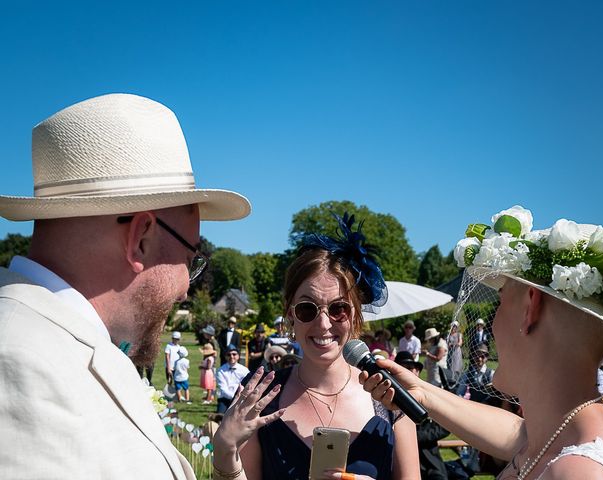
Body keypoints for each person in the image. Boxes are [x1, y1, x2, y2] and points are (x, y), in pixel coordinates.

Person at [0, 93, 251, 479]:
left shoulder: (65, 342)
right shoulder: (20, 364)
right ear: (142, 238)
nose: (186, 287)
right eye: (190, 258)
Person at [360, 206, 603, 480]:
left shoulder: (577, 472)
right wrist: (420, 391)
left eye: (501, 299)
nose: (493, 324)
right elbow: (515, 432)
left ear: (531, 306)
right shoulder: (564, 432)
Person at [212, 213, 419, 479]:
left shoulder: (390, 397)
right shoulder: (259, 396)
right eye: (308, 309)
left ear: (356, 315)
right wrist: (225, 451)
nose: (323, 324)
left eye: (338, 309)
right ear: (290, 316)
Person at [395, 351, 449, 480]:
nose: (406, 373)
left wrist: (415, 437)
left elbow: (444, 427)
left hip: (429, 463)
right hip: (397, 466)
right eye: (401, 368)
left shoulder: (428, 397)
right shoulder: (384, 398)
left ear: (417, 372)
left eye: (409, 368)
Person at [216, 344, 250, 413]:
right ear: (225, 356)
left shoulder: (245, 370)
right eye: (229, 355)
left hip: (241, 399)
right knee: (220, 417)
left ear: (238, 356)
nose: (231, 356)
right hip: (225, 399)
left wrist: (239, 398)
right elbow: (223, 388)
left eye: (234, 354)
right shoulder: (220, 370)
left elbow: (247, 385)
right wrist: (234, 398)